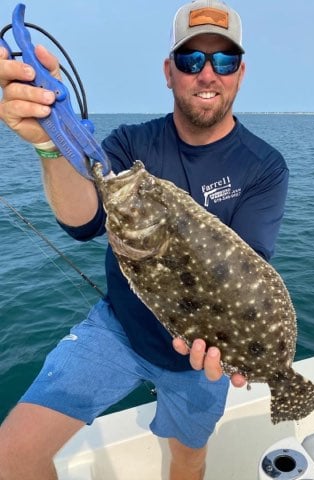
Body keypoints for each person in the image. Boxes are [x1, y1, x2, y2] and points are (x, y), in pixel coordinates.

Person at [0, 1, 289, 479]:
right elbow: (84, 221)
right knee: (10, 456)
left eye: (224, 60)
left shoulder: (264, 165)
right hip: (119, 328)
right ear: (169, 71)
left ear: (240, 73)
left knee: (189, 458)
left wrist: (231, 346)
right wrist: (51, 142)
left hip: (202, 355)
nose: (207, 74)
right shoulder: (133, 144)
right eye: (191, 60)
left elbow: (249, 271)